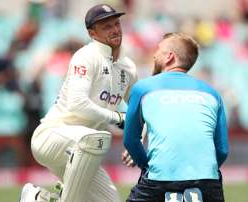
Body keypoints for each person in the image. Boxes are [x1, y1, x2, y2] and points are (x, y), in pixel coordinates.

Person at [19, 4, 137, 202]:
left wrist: (138, 142)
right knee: (97, 138)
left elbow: (137, 110)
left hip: (84, 150)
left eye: (116, 23)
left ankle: (38, 198)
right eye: (106, 26)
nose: (115, 29)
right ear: (93, 33)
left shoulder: (128, 68)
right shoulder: (86, 56)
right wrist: (116, 118)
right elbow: (77, 104)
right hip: (52, 136)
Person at [123, 33, 229, 202]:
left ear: (169, 57)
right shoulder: (212, 93)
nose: (154, 55)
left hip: (159, 179)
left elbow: (130, 141)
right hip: (207, 181)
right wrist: (202, 172)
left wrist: (147, 167)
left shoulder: (143, 88)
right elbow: (222, 149)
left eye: (158, 50)